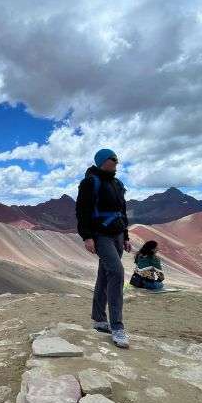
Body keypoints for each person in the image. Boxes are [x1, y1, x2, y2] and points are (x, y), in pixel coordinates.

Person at [76, 148, 131, 348]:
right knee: (117, 272)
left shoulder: (117, 183)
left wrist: (126, 236)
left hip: (117, 235)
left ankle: (99, 319)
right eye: (112, 159)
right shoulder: (90, 183)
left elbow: (122, 211)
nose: (116, 162)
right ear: (101, 161)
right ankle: (117, 327)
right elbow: (82, 211)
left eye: (116, 159)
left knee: (105, 275)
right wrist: (87, 237)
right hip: (101, 235)